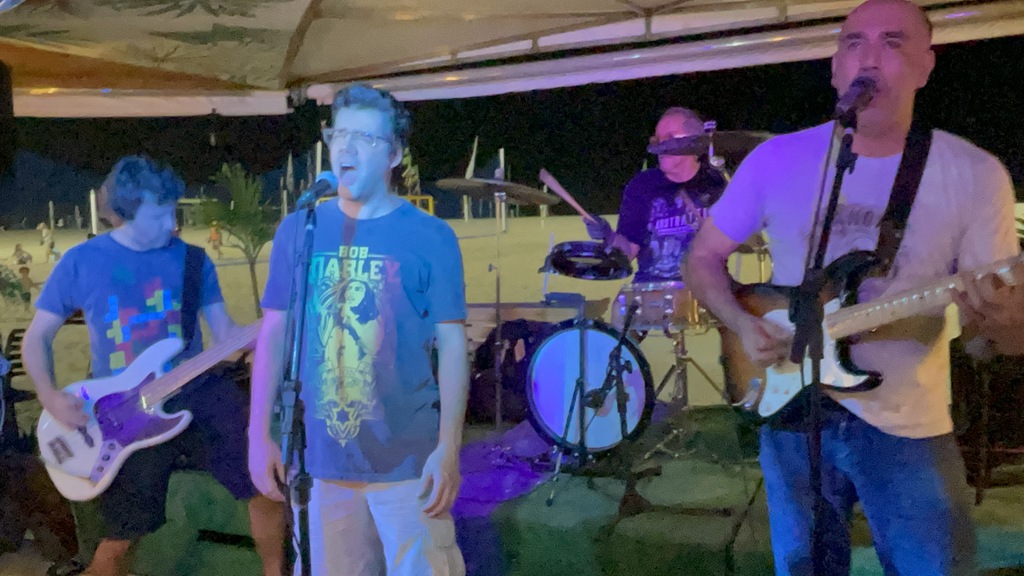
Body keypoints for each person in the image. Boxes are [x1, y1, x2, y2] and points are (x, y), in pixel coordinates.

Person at [682, 0, 1018, 573]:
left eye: (893, 42)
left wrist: (1000, 322)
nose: (870, 57)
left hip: (908, 426)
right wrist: (740, 322)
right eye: (853, 42)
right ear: (836, 67)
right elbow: (702, 258)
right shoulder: (776, 159)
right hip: (792, 417)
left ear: (926, 66)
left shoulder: (974, 173)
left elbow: (994, 336)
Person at [22, 156, 286, 576]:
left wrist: (265, 337)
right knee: (122, 535)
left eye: (172, 211)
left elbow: (225, 333)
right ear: (123, 213)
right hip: (119, 411)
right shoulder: (81, 262)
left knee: (265, 484)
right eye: (158, 215)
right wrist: (50, 396)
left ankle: (275, 570)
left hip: (195, 390)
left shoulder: (194, 261)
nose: (171, 223)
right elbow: (37, 337)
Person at [248, 84, 469, 576]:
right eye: (340, 134)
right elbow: (274, 334)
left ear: (394, 155)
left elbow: (453, 345)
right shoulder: (299, 229)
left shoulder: (431, 236)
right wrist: (259, 435)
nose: (346, 148)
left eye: (365, 138)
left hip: (407, 461)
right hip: (320, 463)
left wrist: (448, 448)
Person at [584, 107, 727, 283]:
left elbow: (738, 241)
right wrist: (608, 235)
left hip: (707, 287)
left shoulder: (718, 183)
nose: (660, 146)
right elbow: (628, 252)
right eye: (657, 140)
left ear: (694, 143)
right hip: (650, 289)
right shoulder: (642, 185)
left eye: (670, 138)